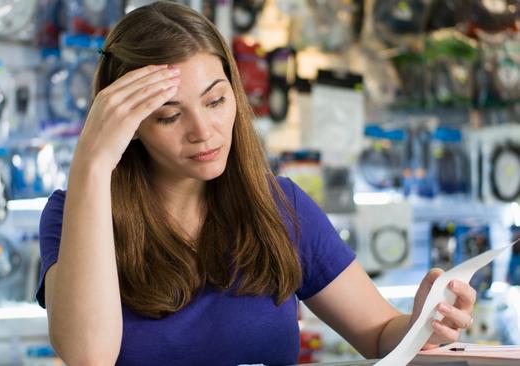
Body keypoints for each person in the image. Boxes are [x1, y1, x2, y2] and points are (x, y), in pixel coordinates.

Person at [36, 2, 477, 365]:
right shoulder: (74, 214)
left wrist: (422, 322)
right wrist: (92, 163)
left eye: (216, 100)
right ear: (128, 125)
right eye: (169, 116)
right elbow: (87, 355)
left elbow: (381, 334)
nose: (203, 130)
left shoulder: (280, 206)